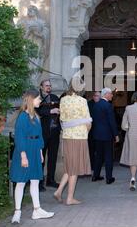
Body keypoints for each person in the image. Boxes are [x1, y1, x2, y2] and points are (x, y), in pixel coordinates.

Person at [9, 90, 55, 224]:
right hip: (25, 151)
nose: (40, 100)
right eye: (38, 98)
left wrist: (40, 152)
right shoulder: (23, 117)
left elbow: (40, 135)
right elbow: (19, 137)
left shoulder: (36, 116)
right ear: (31, 100)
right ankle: (17, 212)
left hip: (35, 150)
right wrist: (23, 156)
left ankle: (37, 210)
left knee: (35, 181)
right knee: (21, 182)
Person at [53, 77, 92, 205]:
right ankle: (70, 198)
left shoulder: (63, 99)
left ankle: (58, 191)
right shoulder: (82, 101)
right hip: (79, 137)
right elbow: (88, 121)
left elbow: (62, 119)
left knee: (70, 165)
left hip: (66, 136)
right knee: (74, 168)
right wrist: (86, 131)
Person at [35, 79, 61, 191]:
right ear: (41, 87)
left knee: (53, 157)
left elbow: (61, 109)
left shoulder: (55, 97)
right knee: (41, 158)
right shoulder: (37, 98)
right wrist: (50, 111)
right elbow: (36, 111)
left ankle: (50, 180)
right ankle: (39, 183)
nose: (48, 87)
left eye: (50, 86)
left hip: (55, 132)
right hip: (42, 132)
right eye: (46, 86)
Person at [91, 88, 120, 184]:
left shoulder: (95, 105)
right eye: (111, 94)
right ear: (106, 94)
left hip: (97, 134)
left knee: (98, 156)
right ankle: (109, 178)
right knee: (108, 156)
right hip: (107, 135)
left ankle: (95, 175)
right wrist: (116, 134)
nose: (112, 95)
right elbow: (112, 122)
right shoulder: (108, 106)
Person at [87, 91, 101, 169]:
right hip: (91, 130)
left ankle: (98, 164)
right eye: (95, 96)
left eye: (98, 96)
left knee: (99, 148)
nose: (97, 97)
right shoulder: (89, 104)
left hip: (99, 130)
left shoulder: (102, 104)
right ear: (93, 96)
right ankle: (92, 165)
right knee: (91, 148)